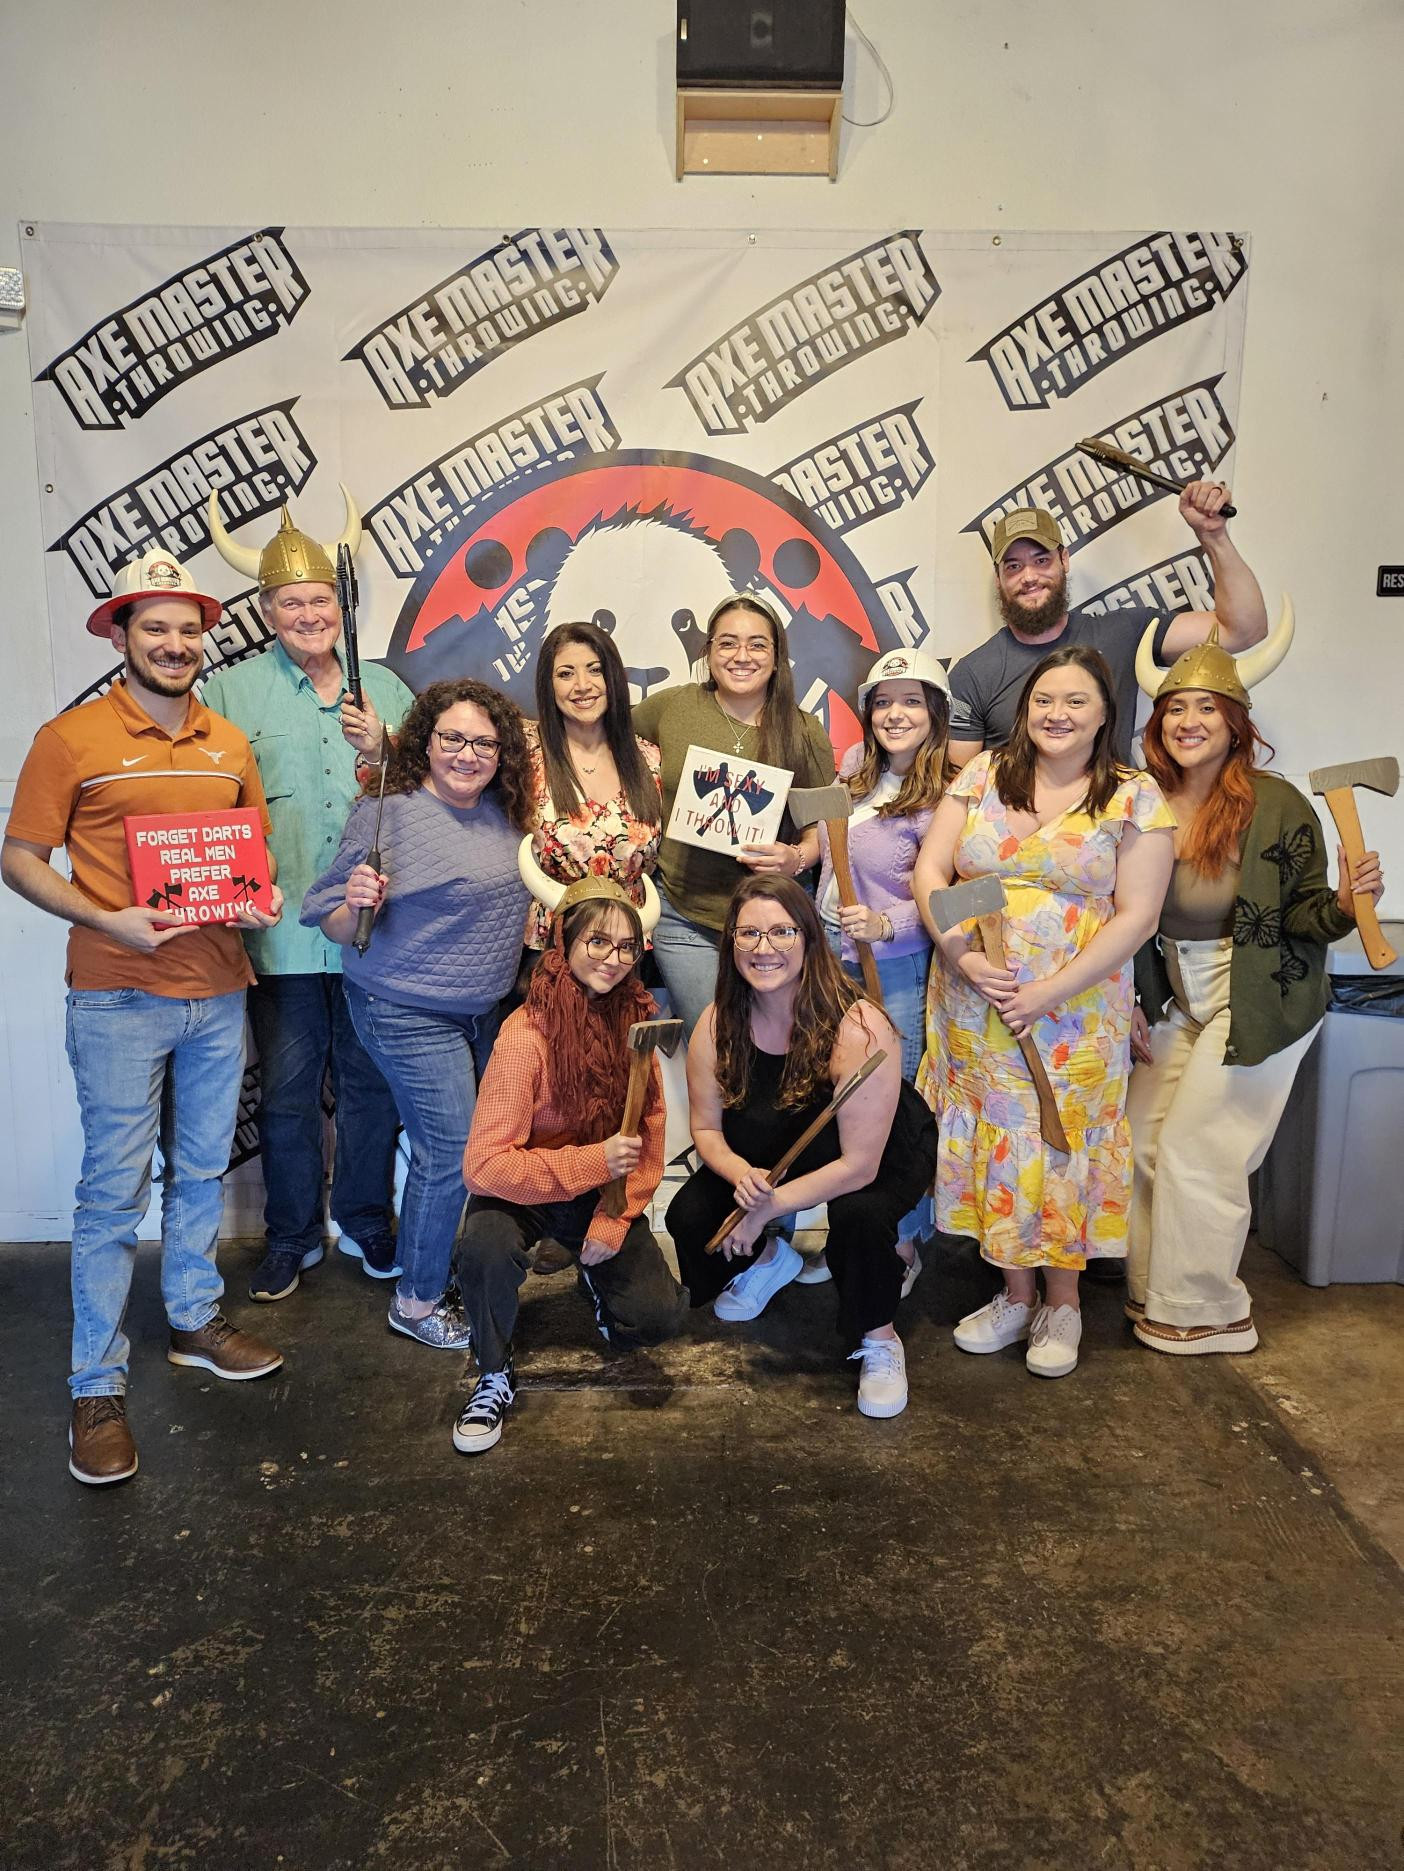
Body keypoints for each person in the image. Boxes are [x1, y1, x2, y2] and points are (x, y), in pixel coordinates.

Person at [1, 549, 286, 1487]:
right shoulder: (70, 738)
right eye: (153, 627)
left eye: (187, 628)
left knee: (203, 1169)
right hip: (118, 991)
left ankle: (194, 1321)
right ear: (120, 636)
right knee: (111, 1195)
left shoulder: (228, 742)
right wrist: (104, 913)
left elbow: (250, 865)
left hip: (218, 987)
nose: (174, 643)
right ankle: (95, 1385)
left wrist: (260, 901)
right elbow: (20, 857)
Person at [914, 644, 1175, 1378]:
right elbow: (938, 872)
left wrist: (1046, 991)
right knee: (1000, 1138)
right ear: (1025, 711)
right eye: (1044, 701)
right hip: (974, 1003)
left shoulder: (1133, 794)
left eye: (1076, 701)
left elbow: (1136, 915)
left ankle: (1064, 1302)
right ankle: (1015, 1292)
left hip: (1076, 1013)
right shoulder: (984, 773)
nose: (1057, 714)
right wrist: (964, 954)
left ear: (1103, 714)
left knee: (1058, 1141)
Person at [1125, 615, 1383, 1353]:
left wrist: (1341, 902)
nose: (1189, 720)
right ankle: (1156, 1289)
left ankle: (1208, 1309)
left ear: (1237, 722)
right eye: (1175, 707)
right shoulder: (1142, 800)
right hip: (1178, 993)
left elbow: (1306, 914)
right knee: (1141, 1139)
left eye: (1206, 706)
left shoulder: (1276, 803)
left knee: (1200, 1147)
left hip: (1259, 995)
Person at [204, 493, 414, 1302]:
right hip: (283, 938)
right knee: (289, 1096)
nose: (307, 613)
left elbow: (433, 791)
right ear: (266, 613)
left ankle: (366, 1222)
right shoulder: (230, 694)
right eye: (289, 602)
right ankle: (292, 1235)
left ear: (341, 604)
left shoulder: (384, 688)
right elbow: (206, 807)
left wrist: (386, 744)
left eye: (320, 599)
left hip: (374, 936)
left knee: (369, 1088)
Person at [300, 679, 533, 1350]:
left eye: (483, 741)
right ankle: (418, 1298)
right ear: (424, 742)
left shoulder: (507, 810)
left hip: (481, 1010)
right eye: (452, 738)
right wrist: (356, 896)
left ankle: (440, 1265)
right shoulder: (386, 812)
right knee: (449, 1148)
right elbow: (336, 924)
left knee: (480, 1145)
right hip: (400, 1006)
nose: (467, 754)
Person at [665, 876, 938, 1419]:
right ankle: (771, 1261)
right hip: (776, 1140)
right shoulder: (717, 1023)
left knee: (859, 1219)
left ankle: (880, 1337)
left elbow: (859, 1166)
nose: (764, 948)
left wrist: (769, 1205)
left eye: (782, 931)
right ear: (731, 944)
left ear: (809, 938)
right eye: (749, 934)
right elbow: (707, 1131)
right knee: (692, 1220)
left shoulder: (860, 1027)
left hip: (874, 1150)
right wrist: (744, 1181)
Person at [452, 875, 688, 1454]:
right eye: (597, 943)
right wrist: (591, 1161)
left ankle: (593, 1276)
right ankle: (492, 1370)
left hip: (598, 1193)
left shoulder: (636, 1021)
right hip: (523, 1191)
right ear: (566, 942)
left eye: (626, 946)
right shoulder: (524, 1033)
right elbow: (484, 1168)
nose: (612, 959)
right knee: (483, 1245)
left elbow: (650, 1134)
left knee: (659, 1318)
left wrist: (613, 1220)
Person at [802, 646, 952, 1295]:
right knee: (841, 1109)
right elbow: (830, 849)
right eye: (884, 701)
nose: (895, 713)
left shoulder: (952, 791)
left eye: (911, 701)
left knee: (898, 1112)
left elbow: (973, 896)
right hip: (829, 972)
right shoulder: (856, 768)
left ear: (935, 712)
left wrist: (890, 922)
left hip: (897, 974)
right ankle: (851, 1236)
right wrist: (794, 854)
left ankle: (903, 1241)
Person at [947, 483, 1271, 768]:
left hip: (1115, 827)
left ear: (1064, 560)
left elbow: (1243, 630)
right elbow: (962, 796)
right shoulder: (973, 675)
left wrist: (1213, 536)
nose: (1029, 577)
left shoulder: (1124, 633)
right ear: (999, 576)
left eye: (1041, 560)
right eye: (1014, 566)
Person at [632, 595, 837, 1036]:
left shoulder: (804, 730)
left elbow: (826, 831)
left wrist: (795, 859)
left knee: (770, 1042)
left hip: (770, 924)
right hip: (684, 916)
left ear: (778, 657)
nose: (741, 656)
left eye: (757, 645)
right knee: (714, 1040)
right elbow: (603, 737)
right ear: (708, 653)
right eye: (727, 643)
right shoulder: (674, 707)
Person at [521, 621, 662, 961]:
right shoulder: (525, 754)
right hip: (551, 949)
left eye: (595, 670)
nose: (582, 686)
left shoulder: (650, 759)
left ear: (612, 678)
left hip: (629, 949)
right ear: (548, 685)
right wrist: (379, 754)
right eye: (566, 674)